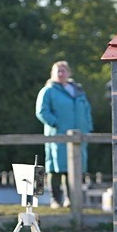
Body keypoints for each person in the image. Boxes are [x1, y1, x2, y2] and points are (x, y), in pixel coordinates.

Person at [35, 60, 93, 208]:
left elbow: (86, 109)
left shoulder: (78, 91)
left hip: (79, 135)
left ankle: (72, 200)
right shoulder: (48, 91)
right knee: (55, 167)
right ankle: (55, 199)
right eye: (57, 71)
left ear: (69, 73)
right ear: (52, 74)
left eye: (63, 70)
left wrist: (87, 126)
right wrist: (56, 123)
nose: (61, 73)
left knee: (75, 167)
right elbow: (42, 111)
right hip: (58, 135)